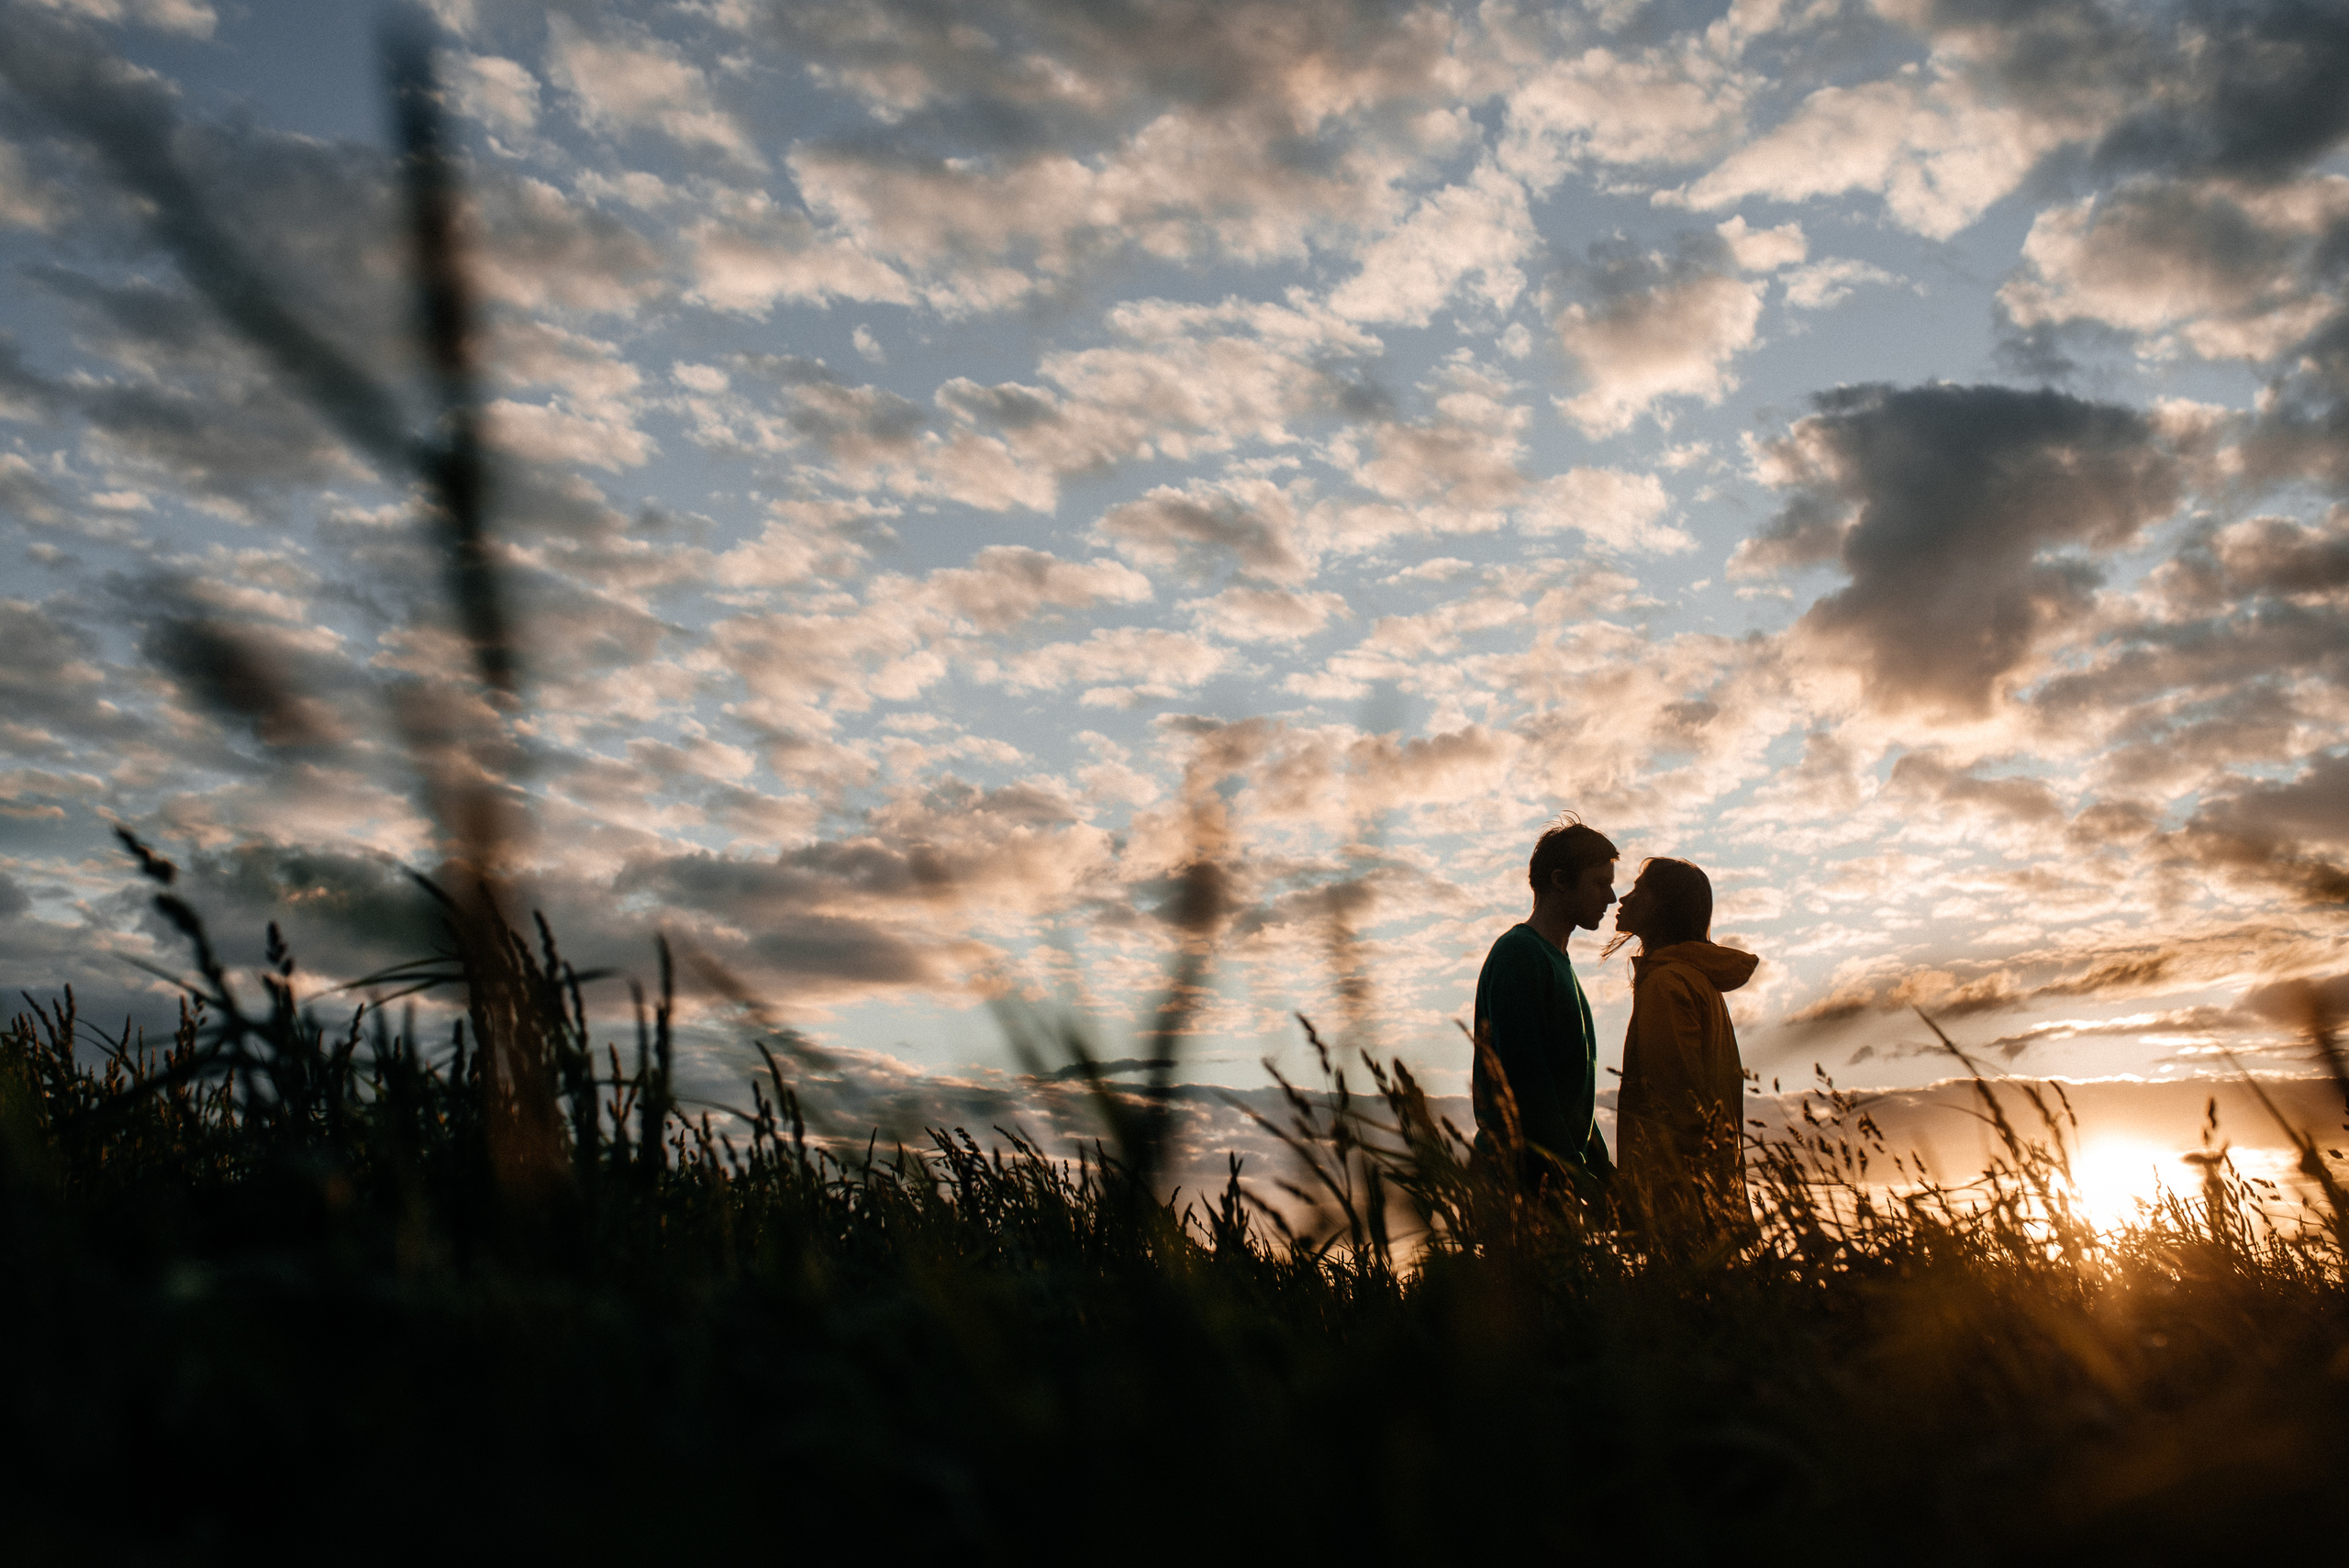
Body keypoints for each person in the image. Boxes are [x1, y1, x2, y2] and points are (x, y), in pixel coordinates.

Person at [1606, 857, 1757, 1229]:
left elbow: (1678, 1100)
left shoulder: (1667, 984)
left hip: (1680, 1201)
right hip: (1709, 1191)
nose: (1622, 899)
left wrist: (1661, 1202)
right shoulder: (1696, 979)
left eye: (1639, 890)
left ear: (1662, 907)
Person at [1471, 815, 1619, 1191]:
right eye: (1600, 883)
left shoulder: (1556, 963)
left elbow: (1569, 1097)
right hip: (1517, 1187)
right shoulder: (1519, 955)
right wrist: (1577, 1179)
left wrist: (1605, 1175)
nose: (1612, 898)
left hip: (1550, 1186)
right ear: (1560, 881)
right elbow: (1526, 1083)